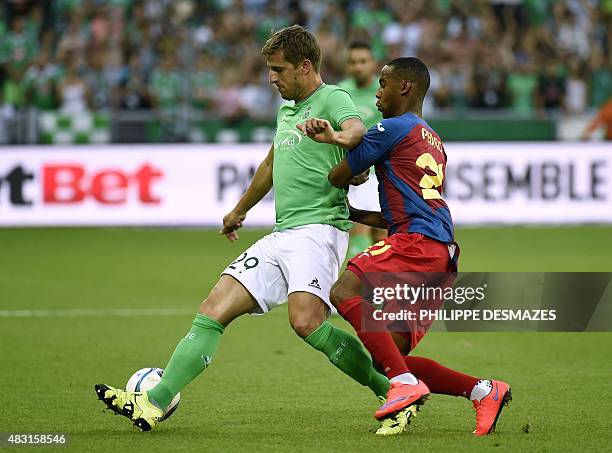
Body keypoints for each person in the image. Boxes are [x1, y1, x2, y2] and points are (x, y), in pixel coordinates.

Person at [94, 25, 405, 435]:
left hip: (319, 231)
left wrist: (334, 135)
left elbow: (357, 132)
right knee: (213, 309)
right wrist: (239, 210)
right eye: (269, 70)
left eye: (278, 70)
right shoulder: (287, 110)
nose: (271, 78)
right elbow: (271, 165)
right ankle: (153, 402)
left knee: (306, 323)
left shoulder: (333, 98)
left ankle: (394, 393)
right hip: (282, 234)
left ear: (305, 67)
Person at [298, 57, 511, 436]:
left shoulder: (390, 128)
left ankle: (404, 385)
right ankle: (484, 390)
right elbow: (404, 208)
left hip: (416, 244)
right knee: (389, 357)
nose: (377, 92)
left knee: (345, 289)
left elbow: (338, 174)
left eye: (383, 83)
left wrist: (334, 145)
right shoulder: (432, 137)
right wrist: (353, 210)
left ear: (405, 88)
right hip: (440, 250)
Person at [338, 41, 386, 259]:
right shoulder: (340, 93)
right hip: (353, 172)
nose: (358, 67)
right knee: (358, 228)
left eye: (362, 62)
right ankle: (357, 283)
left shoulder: (385, 91)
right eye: (353, 62)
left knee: (383, 233)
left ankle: (384, 286)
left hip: (381, 173)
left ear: (373, 63)